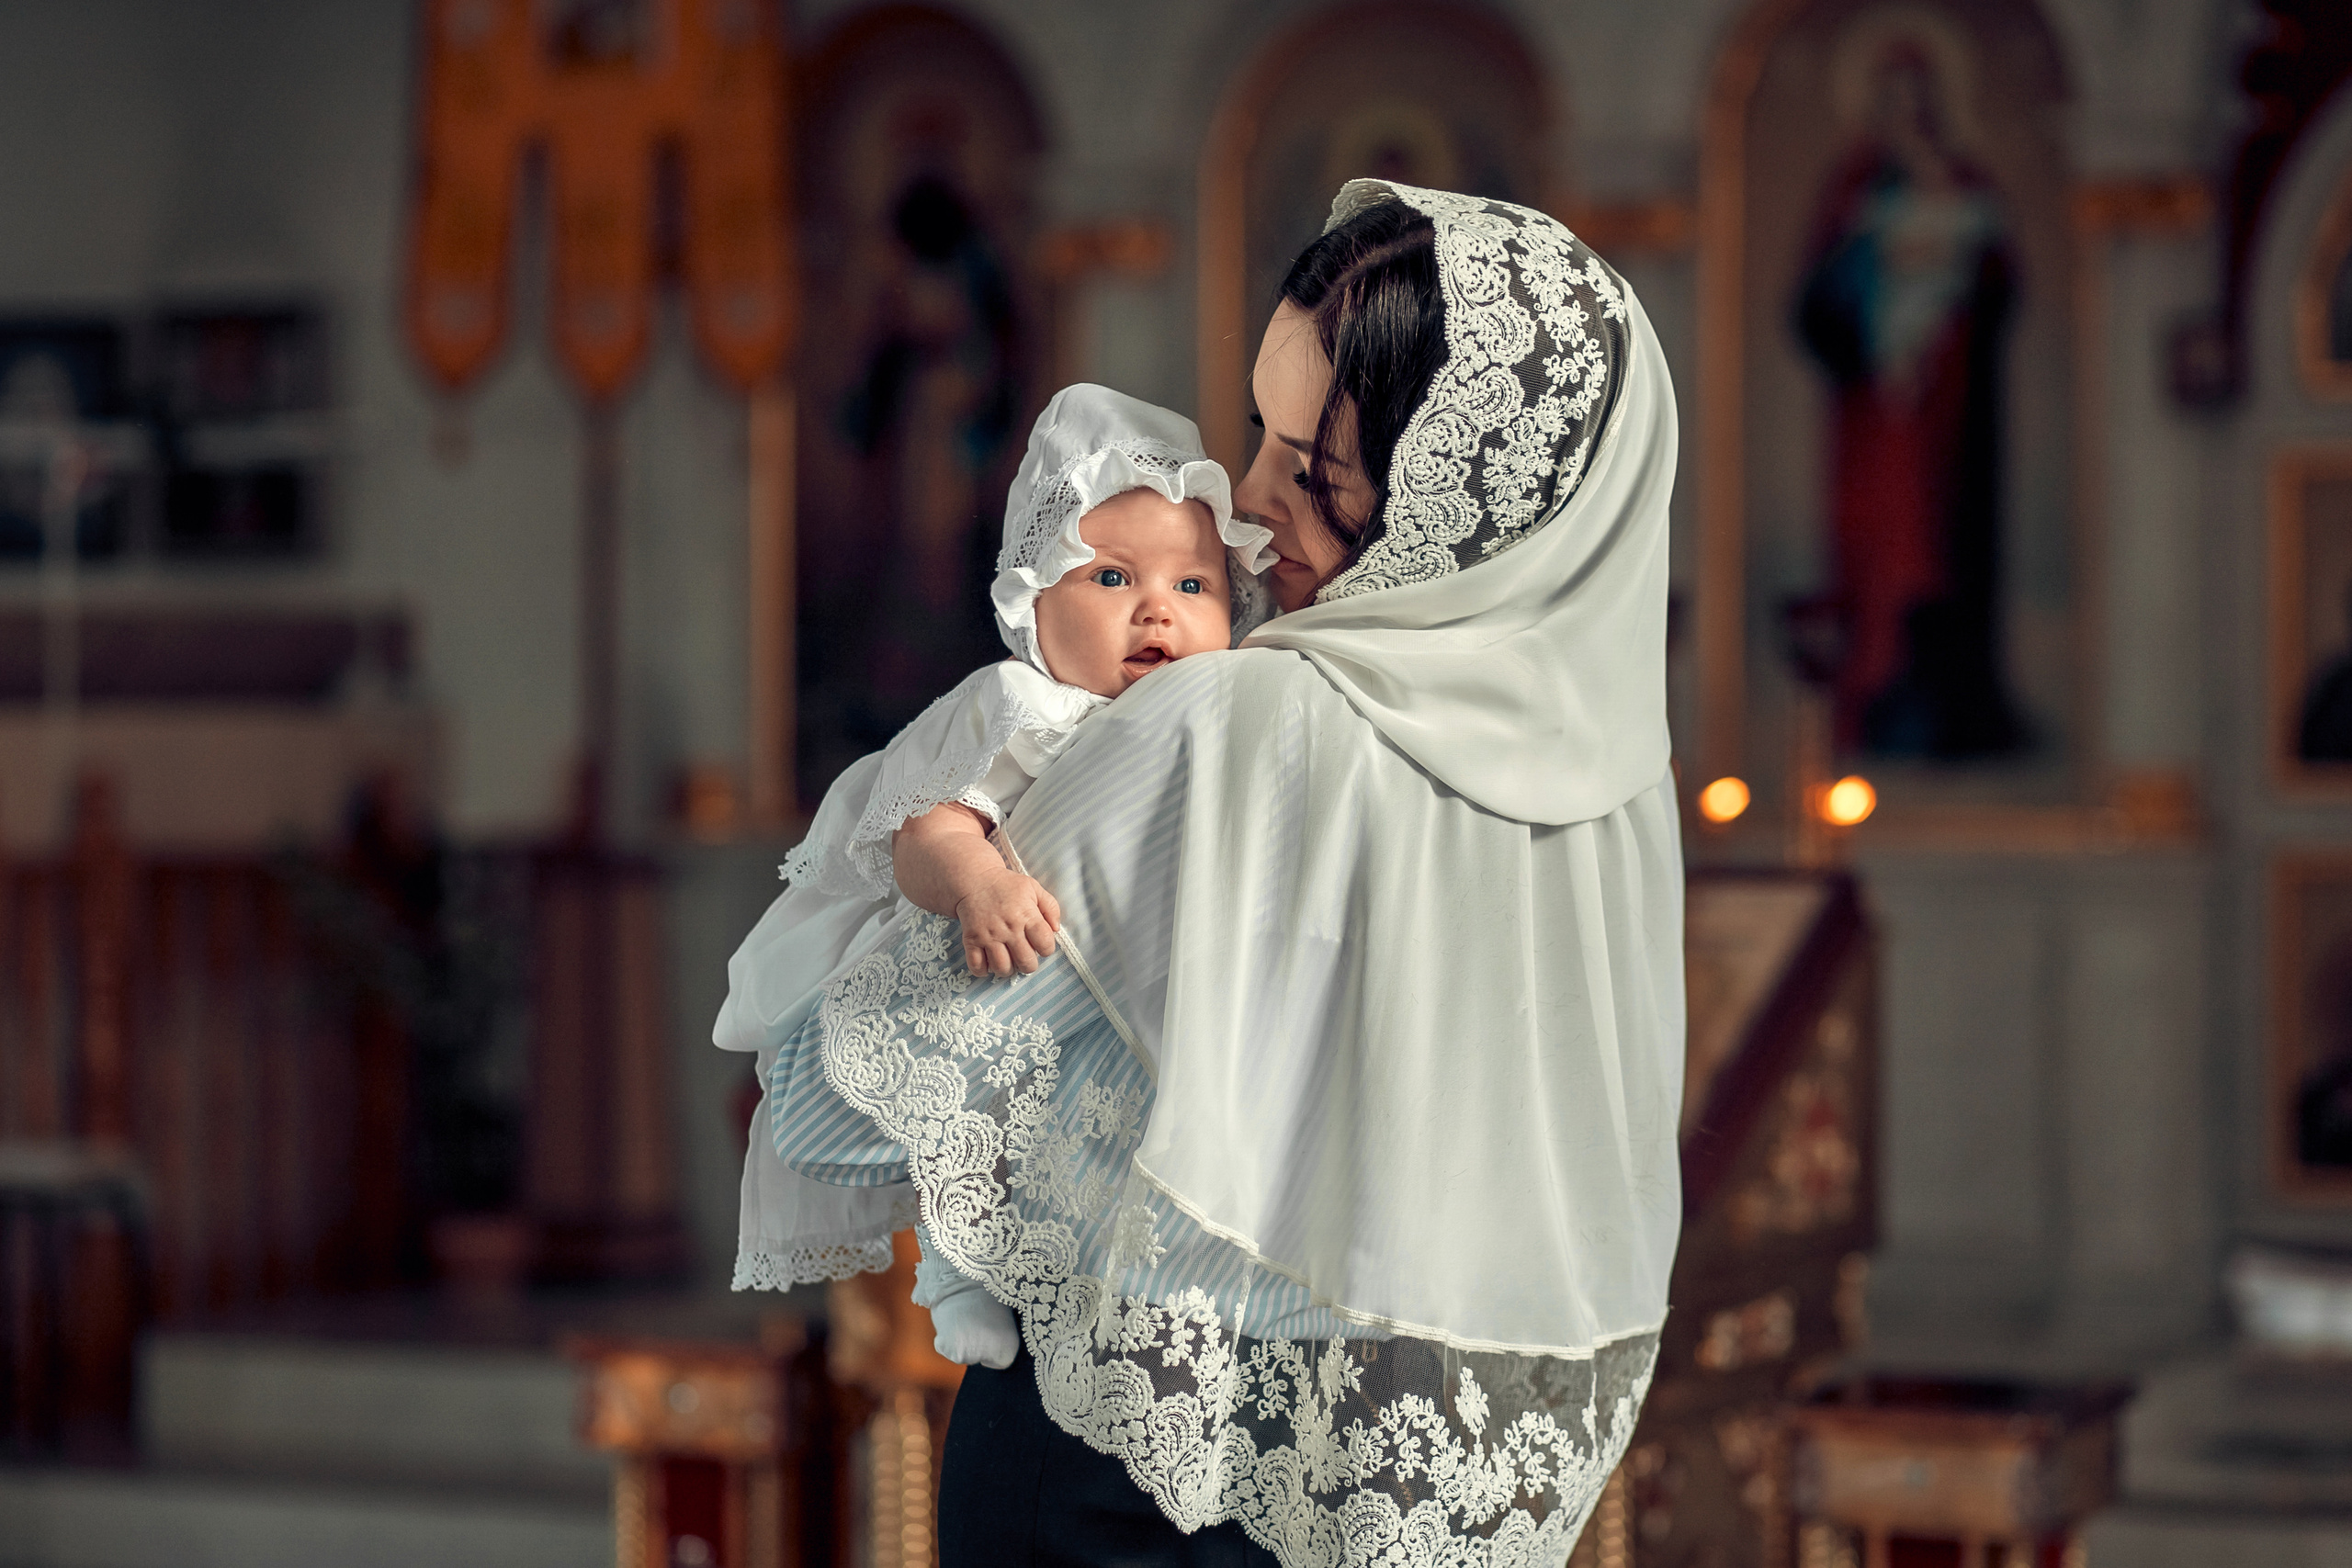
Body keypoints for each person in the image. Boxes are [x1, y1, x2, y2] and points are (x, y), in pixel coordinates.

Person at [739, 182, 1684, 1566]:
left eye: (1315, 471)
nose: (1241, 507)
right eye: (1259, 434)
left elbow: (834, 1100)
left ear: (1453, 494)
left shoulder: (1232, 721)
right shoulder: (1613, 799)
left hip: (1120, 1490)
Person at [715, 384, 1272, 1369]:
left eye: (1193, 587)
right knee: (967, 1124)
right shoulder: (1019, 704)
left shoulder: (1219, 716)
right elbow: (921, 825)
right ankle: (952, 1272)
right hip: (984, 961)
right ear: (1031, 603)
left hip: (1111, 1014)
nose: (1156, 610)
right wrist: (977, 881)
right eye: (1110, 579)